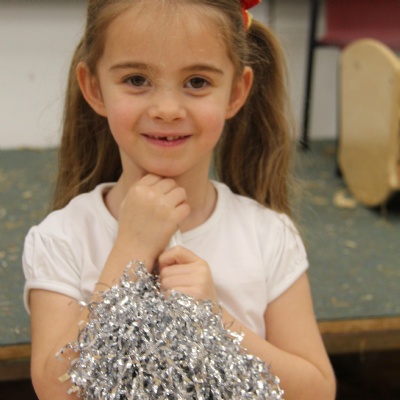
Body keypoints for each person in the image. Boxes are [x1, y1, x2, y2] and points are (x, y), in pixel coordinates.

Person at [22, 0, 336, 398]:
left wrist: (216, 321)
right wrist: (130, 253)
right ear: (94, 88)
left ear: (236, 92)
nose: (167, 110)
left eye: (197, 82)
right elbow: (56, 390)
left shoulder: (269, 235)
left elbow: (316, 391)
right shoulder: (62, 239)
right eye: (137, 79)